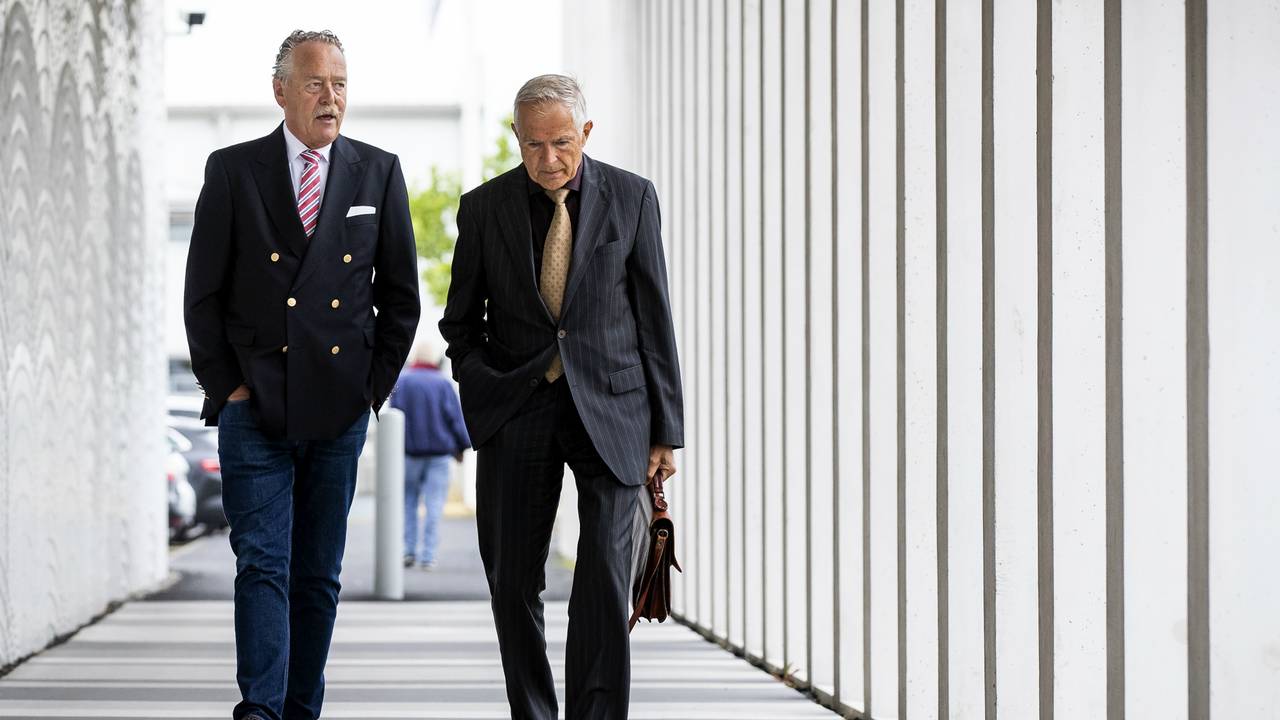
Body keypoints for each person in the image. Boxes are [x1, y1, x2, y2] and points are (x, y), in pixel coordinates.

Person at [182, 30, 419, 720]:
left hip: (337, 406)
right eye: (315, 83)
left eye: (341, 84)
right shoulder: (233, 169)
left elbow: (401, 298)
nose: (331, 97)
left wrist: (369, 392)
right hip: (253, 405)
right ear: (281, 89)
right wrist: (226, 389)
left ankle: (300, 708)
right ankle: (258, 708)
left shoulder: (378, 170)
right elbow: (202, 296)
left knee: (317, 575)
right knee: (261, 564)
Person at [440, 74, 684, 720]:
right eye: (534, 146)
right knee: (513, 583)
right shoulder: (483, 209)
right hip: (518, 410)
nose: (549, 160)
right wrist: (483, 392)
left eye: (562, 144)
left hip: (614, 409)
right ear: (515, 139)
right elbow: (459, 324)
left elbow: (655, 320)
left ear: (586, 133)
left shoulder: (632, 199)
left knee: (603, 577)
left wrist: (666, 432)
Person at [391, 341, 471, 569]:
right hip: (439, 455)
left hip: (409, 454)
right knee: (434, 505)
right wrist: (462, 447)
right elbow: (455, 418)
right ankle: (428, 556)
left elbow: (394, 415)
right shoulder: (443, 384)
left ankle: (408, 551)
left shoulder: (402, 382)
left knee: (408, 502)